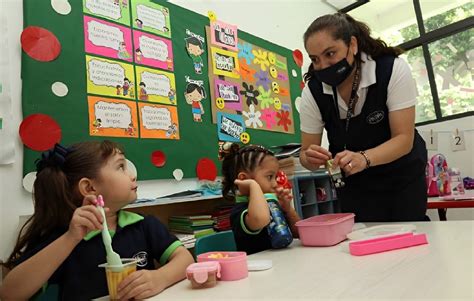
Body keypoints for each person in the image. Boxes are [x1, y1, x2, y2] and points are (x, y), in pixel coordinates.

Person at [0, 141, 194, 300]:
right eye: (120, 167)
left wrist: (159, 278)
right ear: (90, 188)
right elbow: (9, 294)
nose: (132, 175)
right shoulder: (64, 239)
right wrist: (70, 239)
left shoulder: (143, 225)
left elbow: (185, 259)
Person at [299, 13, 428, 222]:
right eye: (315, 59)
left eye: (330, 54)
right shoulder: (313, 92)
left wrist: (364, 158)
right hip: (354, 182)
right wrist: (309, 158)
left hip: (402, 175)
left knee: (408, 235)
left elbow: (404, 139)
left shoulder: (391, 69)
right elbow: (306, 154)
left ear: (352, 45)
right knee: (362, 240)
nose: (323, 66)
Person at [221, 143, 300, 255]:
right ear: (243, 179)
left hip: (283, 262)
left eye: (275, 177)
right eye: (269, 177)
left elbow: (300, 234)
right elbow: (260, 219)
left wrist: (288, 209)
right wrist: (253, 186)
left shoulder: (273, 205)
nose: (275, 184)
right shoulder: (240, 211)